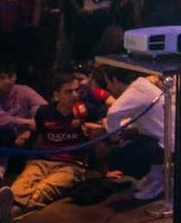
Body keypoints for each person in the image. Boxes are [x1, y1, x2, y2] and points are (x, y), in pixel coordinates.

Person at [11, 71, 103, 213]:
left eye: (76, 90)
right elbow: (39, 138)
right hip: (44, 160)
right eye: (68, 92)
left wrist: (105, 170)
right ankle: (7, 208)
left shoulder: (87, 111)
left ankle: (12, 210)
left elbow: (99, 139)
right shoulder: (44, 112)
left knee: (46, 188)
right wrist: (31, 158)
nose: (75, 95)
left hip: (71, 164)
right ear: (56, 94)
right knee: (21, 183)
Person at [100, 67, 166, 200]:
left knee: (116, 154)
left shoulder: (135, 90)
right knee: (127, 138)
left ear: (115, 80)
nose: (108, 87)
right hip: (166, 139)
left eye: (108, 82)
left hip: (164, 145)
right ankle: (155, 175)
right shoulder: (141, 85)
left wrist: (114, 139)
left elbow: (113, 113)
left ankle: (158, 180)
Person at [0, 60, 46, 184]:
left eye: (10, 76)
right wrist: (25, 123)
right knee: (3, 133)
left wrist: (27, 131)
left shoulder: (23, 90)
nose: (7, 81)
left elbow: (43, 108)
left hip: (24, 140)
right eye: (2, 77)